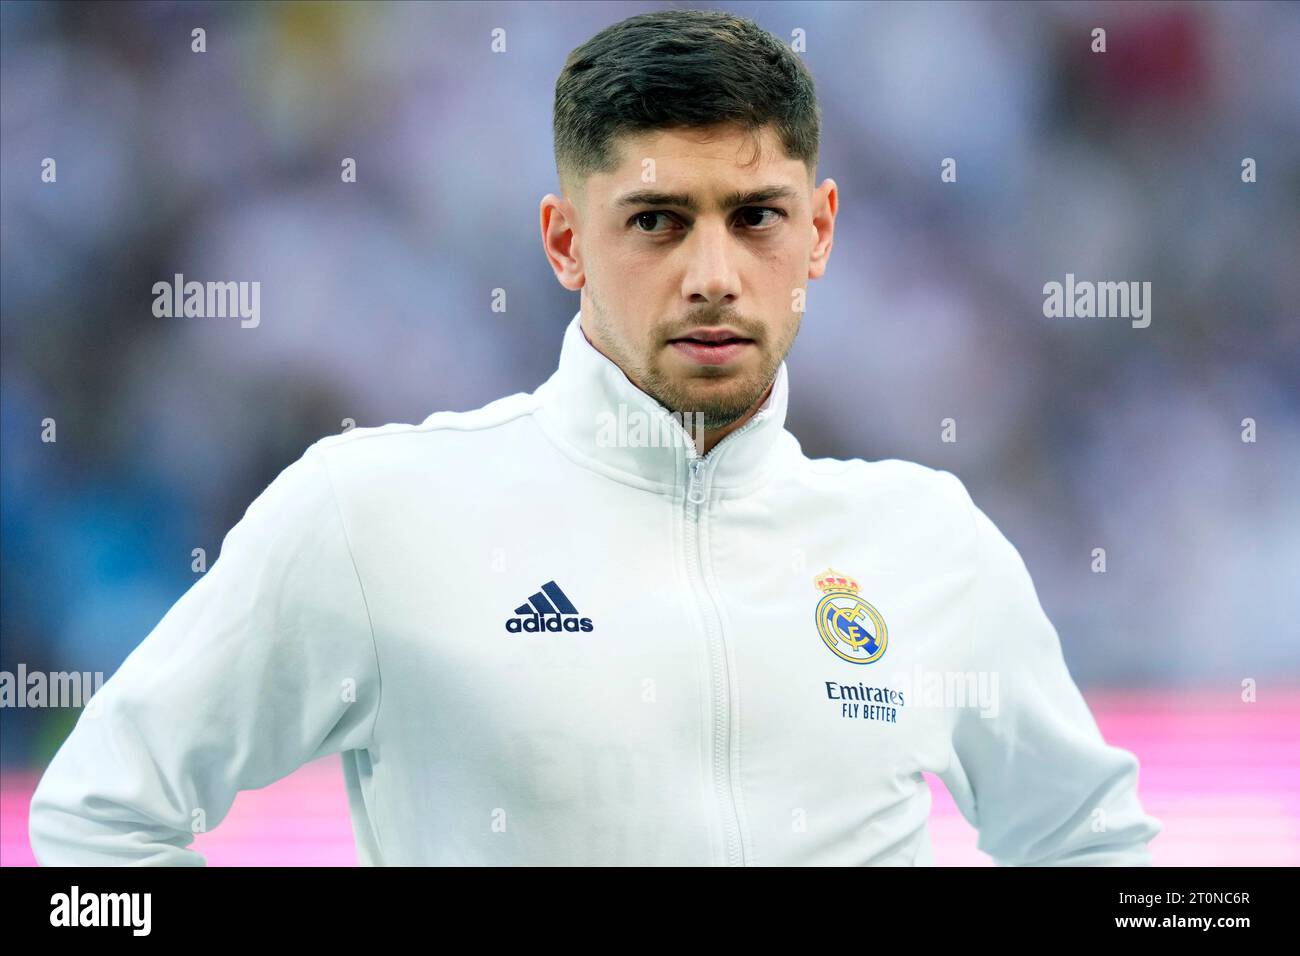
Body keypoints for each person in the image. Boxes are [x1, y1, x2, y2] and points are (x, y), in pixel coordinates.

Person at [29, 9, 1160, 866]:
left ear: (817, 231)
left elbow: (1105, 854)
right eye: (657, 222)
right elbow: (95, 828)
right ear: (565, 241)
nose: (713, 274)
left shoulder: (926, 541)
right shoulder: (376, 511)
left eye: (755, 216)